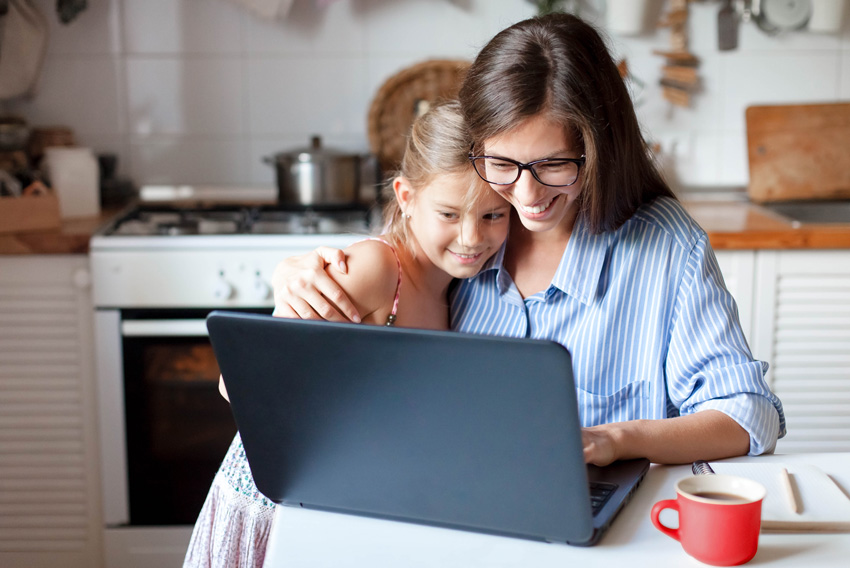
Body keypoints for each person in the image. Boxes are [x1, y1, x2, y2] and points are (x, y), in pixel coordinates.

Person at [270, 13, 786, 467]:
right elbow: (392, 266)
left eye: (553, 165)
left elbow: (748, 413)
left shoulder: (667, 247)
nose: (527, 194)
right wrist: (293, 277)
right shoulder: (477, 225)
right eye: (503, 164)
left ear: (598, 149)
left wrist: (619, 438)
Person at [182, 100, 511, 568]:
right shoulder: (378, 270)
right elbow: (237, 385)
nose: (471, 238)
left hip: (346, 502)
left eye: (493, 216)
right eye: (449, 214)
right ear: (406, 196)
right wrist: (282, 307)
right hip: (275, 503)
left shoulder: (458, 289)